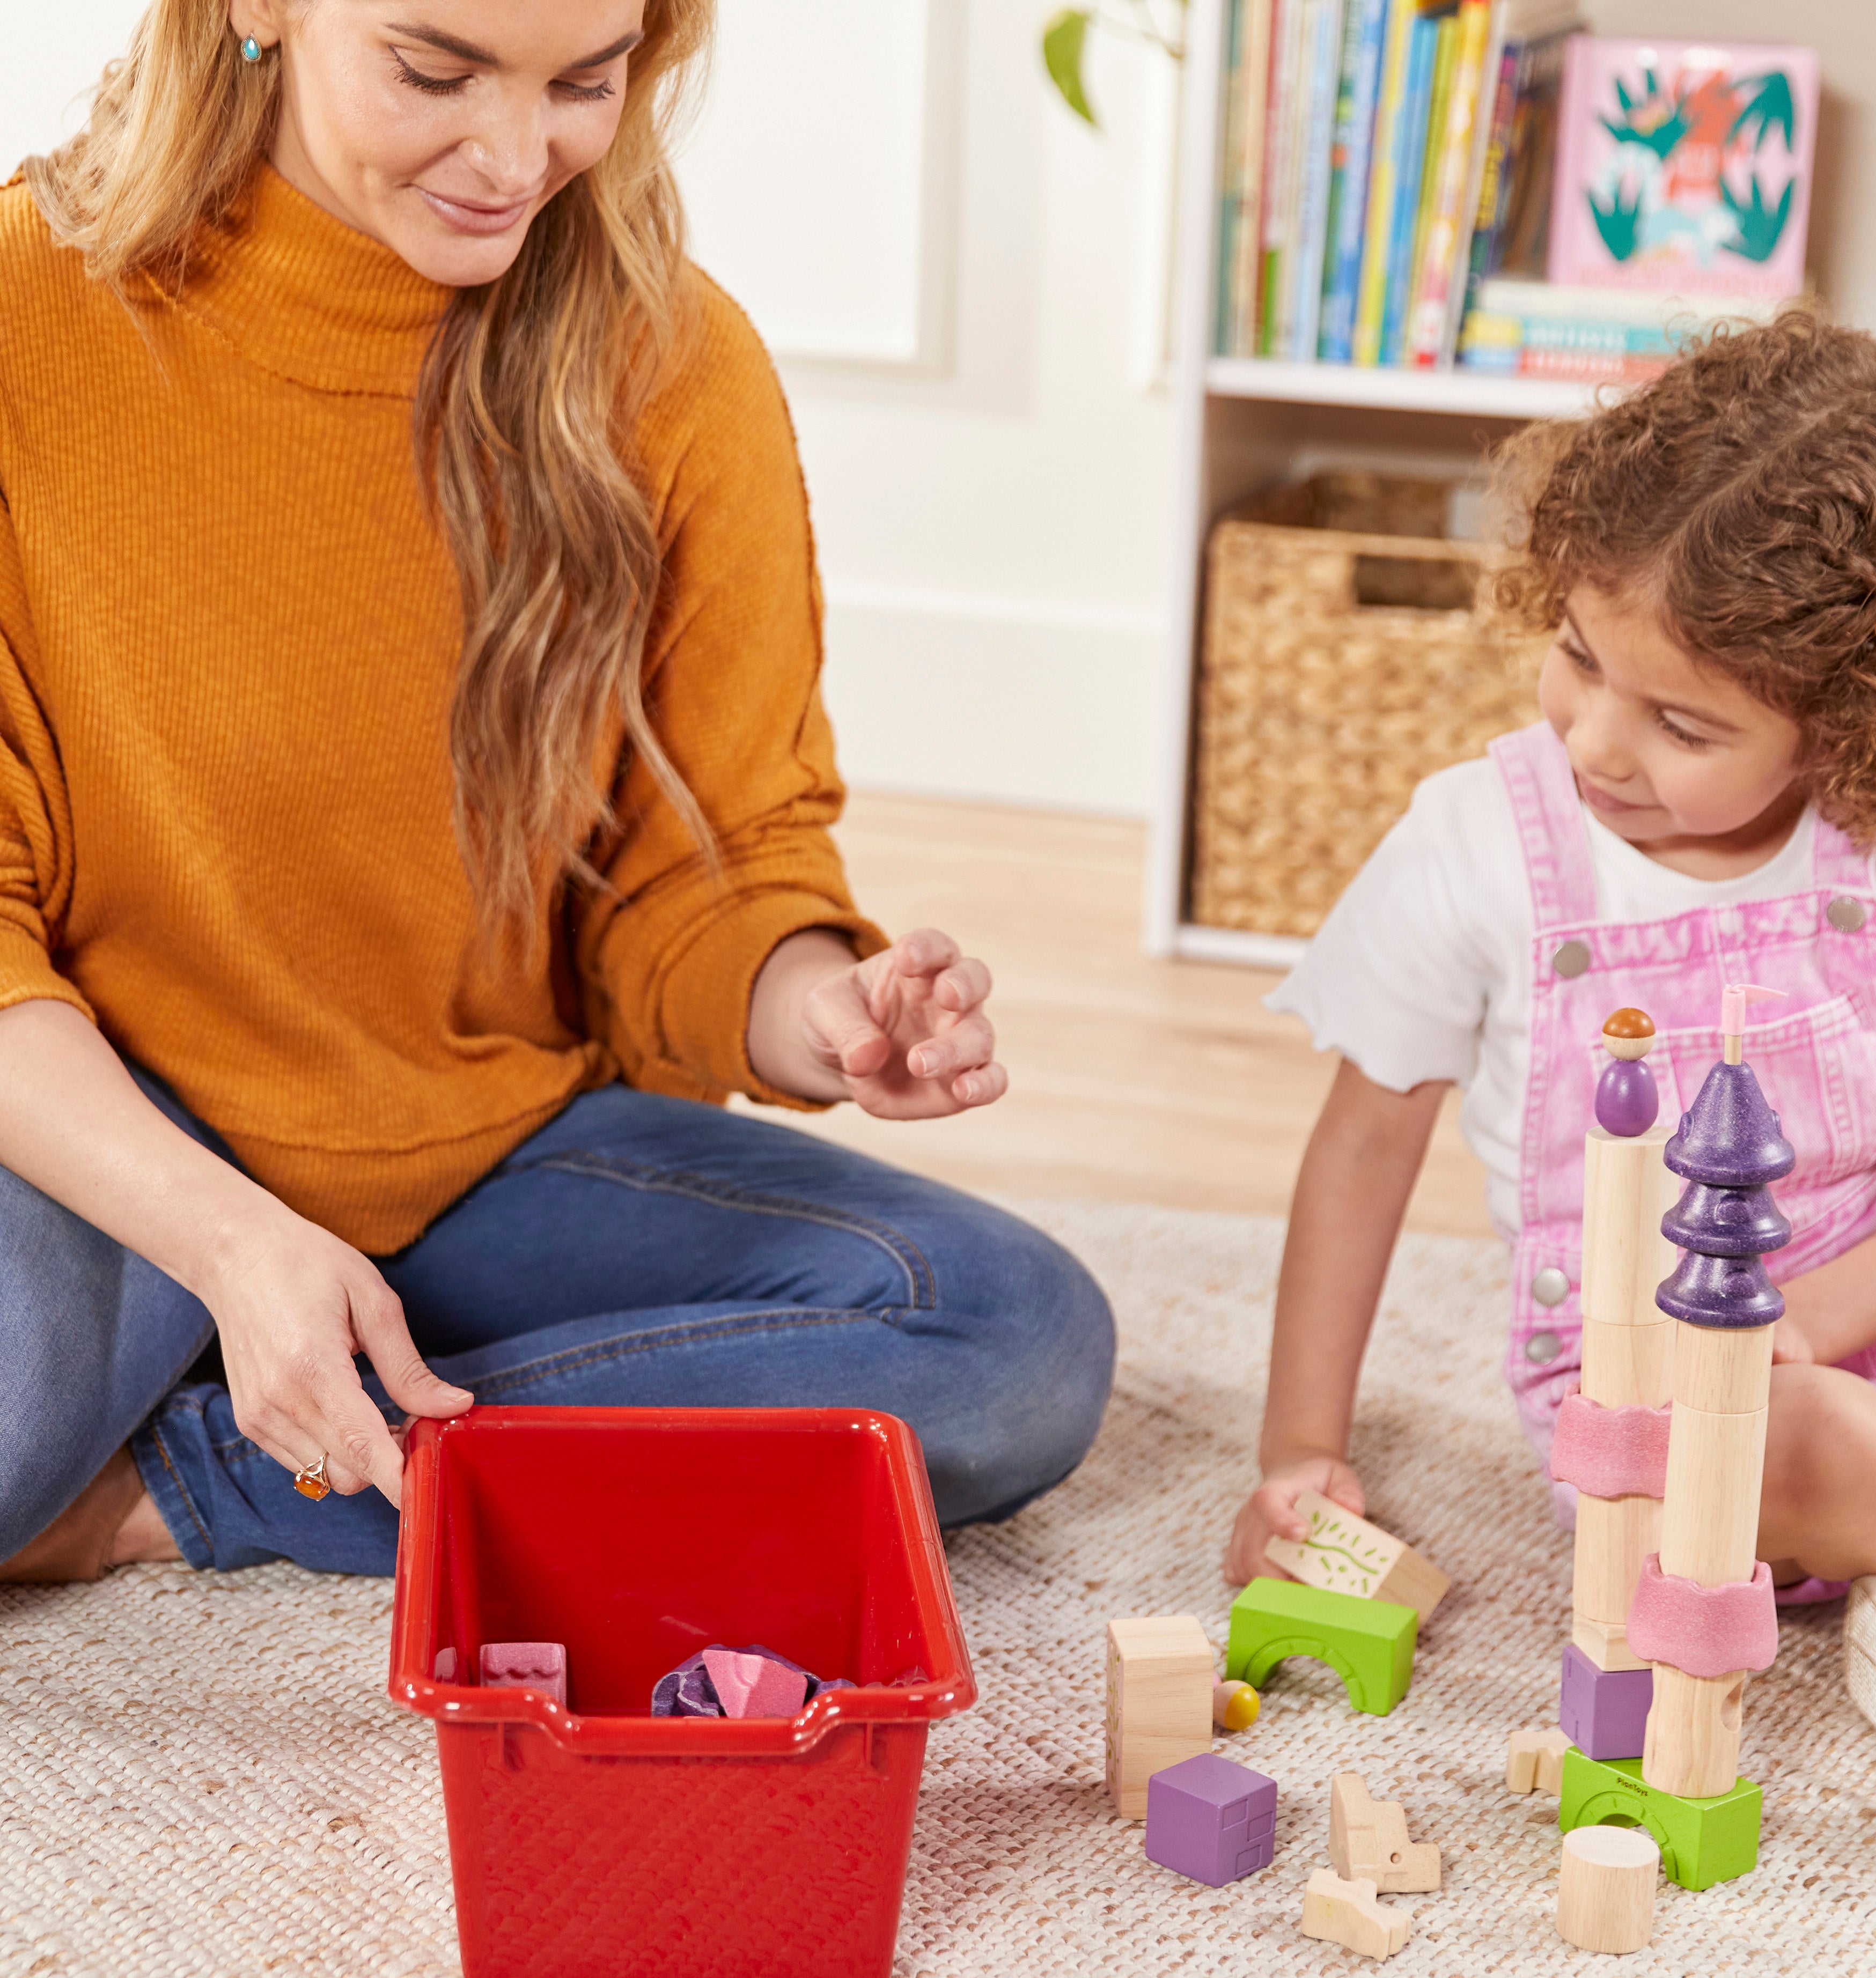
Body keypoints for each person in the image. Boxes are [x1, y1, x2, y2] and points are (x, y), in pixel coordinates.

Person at [0, 0, 1113, 1588]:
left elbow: (711, 869)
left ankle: (172, 1487)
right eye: (434, 71)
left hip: (469, 1152)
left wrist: (823, 1008)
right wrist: (232, 1244)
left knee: (1008, 1343)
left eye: (585, 82)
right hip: (102, 1143)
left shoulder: (672, 362)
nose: (516, 157)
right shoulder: (26, 314)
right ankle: (254, 1361)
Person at [1223, 314, 1876, 1815]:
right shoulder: (1478, 846)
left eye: (1684, 723)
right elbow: (1361, 1149)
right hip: (1685, 1395)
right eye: (1579, 655)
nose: (1596, 739)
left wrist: (1814, 1312)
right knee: (1757, 1447)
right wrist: (1299, 1451)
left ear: (1847, 718)